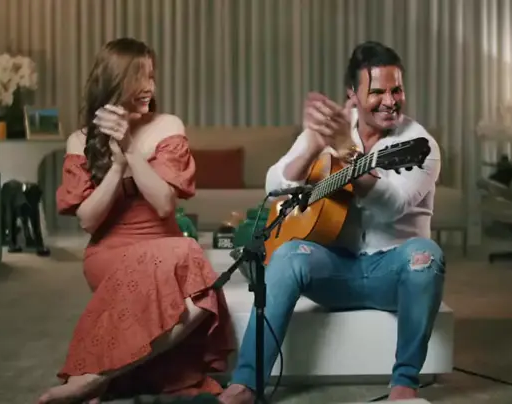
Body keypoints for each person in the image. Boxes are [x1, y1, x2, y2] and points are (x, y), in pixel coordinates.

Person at [219, 41, 445, 403]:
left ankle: (404, 386)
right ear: (352, 94)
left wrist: (349, 154)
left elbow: (393, 205)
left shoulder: (419, 144)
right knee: (288, 254)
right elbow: (274, 186)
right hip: (337, 269)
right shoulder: (333, 128)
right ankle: (246, 383)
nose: (390, 101)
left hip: (392, 272)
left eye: (397, 90)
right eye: (377, 92)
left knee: (426, 255)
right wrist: (313, 144)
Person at [38, 37, 234, 404]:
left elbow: (163, 205)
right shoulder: (79, 140)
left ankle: (92, 379)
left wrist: (130, 149)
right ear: (115, 81)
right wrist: (116, 167)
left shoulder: (167, 125)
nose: (150, 87)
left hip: (166, 247)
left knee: (202, 292)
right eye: (140, 77)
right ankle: (99, 376)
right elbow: (88, 221)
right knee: (190, 256)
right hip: (111, 252)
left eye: (152, 77)